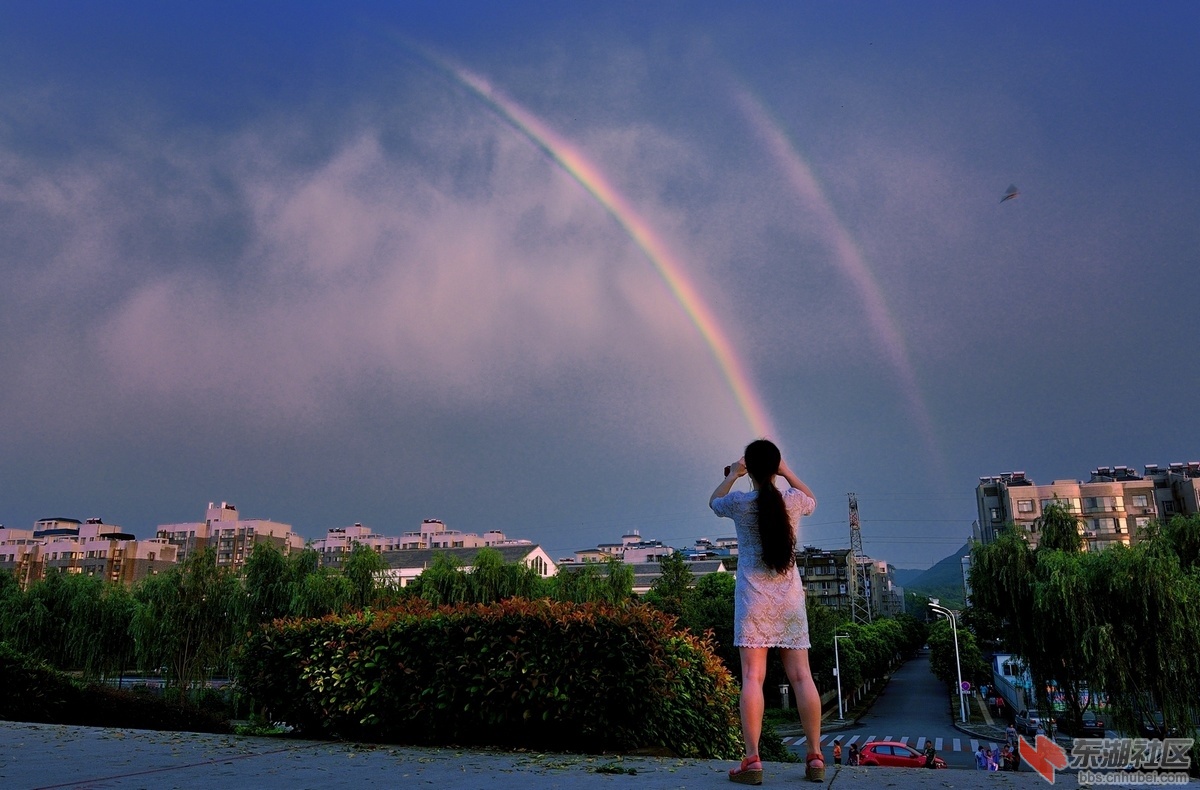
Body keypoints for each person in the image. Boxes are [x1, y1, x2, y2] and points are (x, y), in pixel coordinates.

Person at [711, 440, 821, 784]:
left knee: (753, 679)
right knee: (803, 677)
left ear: (750, 469)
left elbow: (713, 502)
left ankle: (753, 760)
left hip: (753, 602)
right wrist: (786, 470)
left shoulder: (739, 503)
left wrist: (732, 473)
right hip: (789, 602)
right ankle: (816, 757)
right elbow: (812, 500)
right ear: (774, 468)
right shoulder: (792, 501)